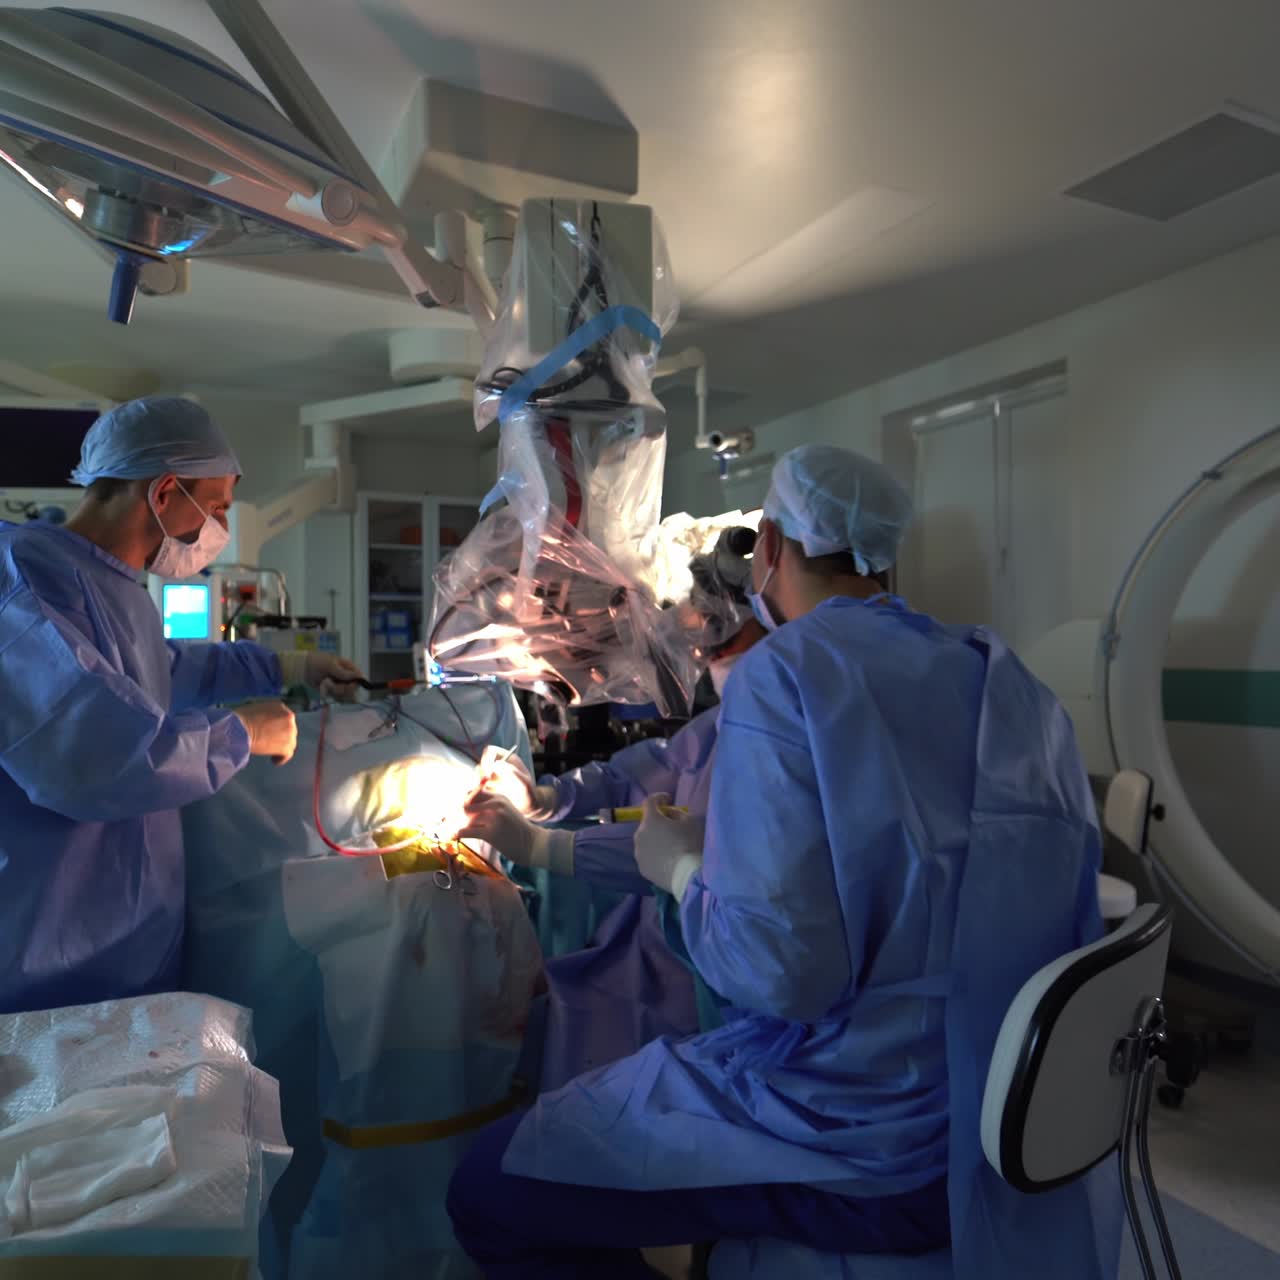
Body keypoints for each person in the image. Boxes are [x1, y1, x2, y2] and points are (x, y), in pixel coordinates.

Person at [446, 444, 1116, 1279]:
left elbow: (776, 975)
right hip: (987, 1107)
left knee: (487, 1190)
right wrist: (551, 816)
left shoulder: (787, 677)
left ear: (766, 548)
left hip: (859, 1133)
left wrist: (682, 873)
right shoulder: (1004, 676)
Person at [0, 396, 363, 1015]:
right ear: (166, 491)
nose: (216, 529)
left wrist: (287, 665)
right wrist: (242, 734)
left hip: (128, 941)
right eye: (217, 508)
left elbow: (162, 669)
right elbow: (95, 754)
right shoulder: (25, 577)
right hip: (47, 951)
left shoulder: (120, 588)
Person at [462, 538, 765, 1089]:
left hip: (702, 994)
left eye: (711, 624)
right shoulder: (726, 721)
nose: (696, 639)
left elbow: (676, 850)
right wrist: (548, 798)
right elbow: (649, 769)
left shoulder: (772, 739)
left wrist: (540, 846)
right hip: (657, 952)